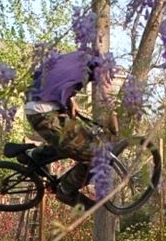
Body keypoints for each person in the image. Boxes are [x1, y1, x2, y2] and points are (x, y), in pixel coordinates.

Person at [21, 49, 117, 208]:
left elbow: (42, 75)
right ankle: (66, 190)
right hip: (45, 114)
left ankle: (35, 155)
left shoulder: (70, 58)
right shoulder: (98, 66)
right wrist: (114, 128)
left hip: (37, 107)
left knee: (77, 142)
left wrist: (67, 99)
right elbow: (106, 100)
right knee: (97, 155)